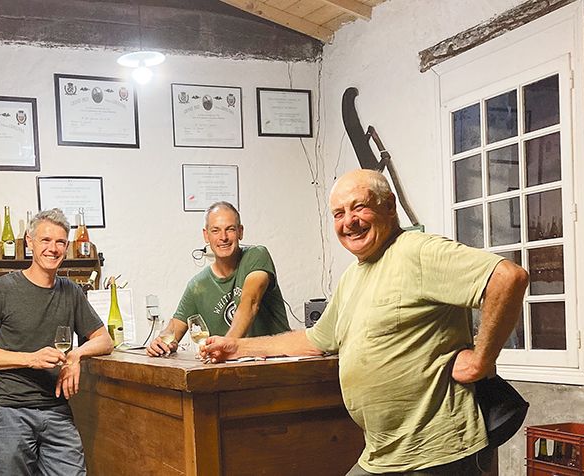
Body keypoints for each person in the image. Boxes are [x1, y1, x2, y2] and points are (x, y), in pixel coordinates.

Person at [203, 170, 529, 475]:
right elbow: (315, 340)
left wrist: (480, 361)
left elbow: (507, 278)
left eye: (359, 207)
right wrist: (235, 346)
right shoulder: (352, 277)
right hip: (383, 453)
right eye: (339, 213)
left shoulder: (417, 251)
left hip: (438, 452)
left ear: (388, 207)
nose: (349, 222)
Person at [0, 208, 113, 476]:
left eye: (60, 242)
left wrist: (76, 356)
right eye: (45, 240)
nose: (53, 249)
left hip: (56, 410)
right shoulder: (2, 289)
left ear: (66, 247)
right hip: (9, 410)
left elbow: (104, 340)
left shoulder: (71, 291)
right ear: (29, 243)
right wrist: (30, 358)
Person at [147, 201, 290, 357]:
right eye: (215, 230)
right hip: (233, 371)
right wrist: (161, 341)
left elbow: (250, 303)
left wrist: (226, 346)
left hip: (277, 363)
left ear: (240, 232)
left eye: (230, 229)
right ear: (206, 235)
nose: (223, 237)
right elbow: (174, 327)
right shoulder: (198, 285)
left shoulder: (257, 256)